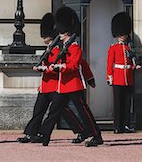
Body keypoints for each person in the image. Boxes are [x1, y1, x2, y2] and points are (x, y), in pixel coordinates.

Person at [17, 13, 94, 144]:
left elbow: (75, 63)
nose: (44, 38)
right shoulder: (52, 48)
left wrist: (89, 77)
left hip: (56, 85)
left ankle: (82, 130)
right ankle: (33, 133)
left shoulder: (62, 48)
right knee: (40, 110)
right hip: (47, 85)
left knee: (62, 111)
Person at [39, 6, 103, 147]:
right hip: (63, 86)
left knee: (83, 111)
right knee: (54, 111)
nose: (59, 34)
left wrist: (61, 67)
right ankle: (45, 135)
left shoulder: (74, 47)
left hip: (74, 85)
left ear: (67, 32)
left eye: (62, 32)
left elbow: (74, 65)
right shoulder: (62, 47)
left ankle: (96, 135)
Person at [106, 12, 141, 134]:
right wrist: (109, 77)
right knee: (118, 103)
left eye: (124, 34)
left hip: (128, 77)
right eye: (120, 34)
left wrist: (134, 65)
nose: (122, 36)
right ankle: (117, 126)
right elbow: (110, 63)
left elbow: (132, 62)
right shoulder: (113, 48)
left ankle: (126, 125)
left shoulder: (129, 48)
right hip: (117, 77)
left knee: (127, 103)